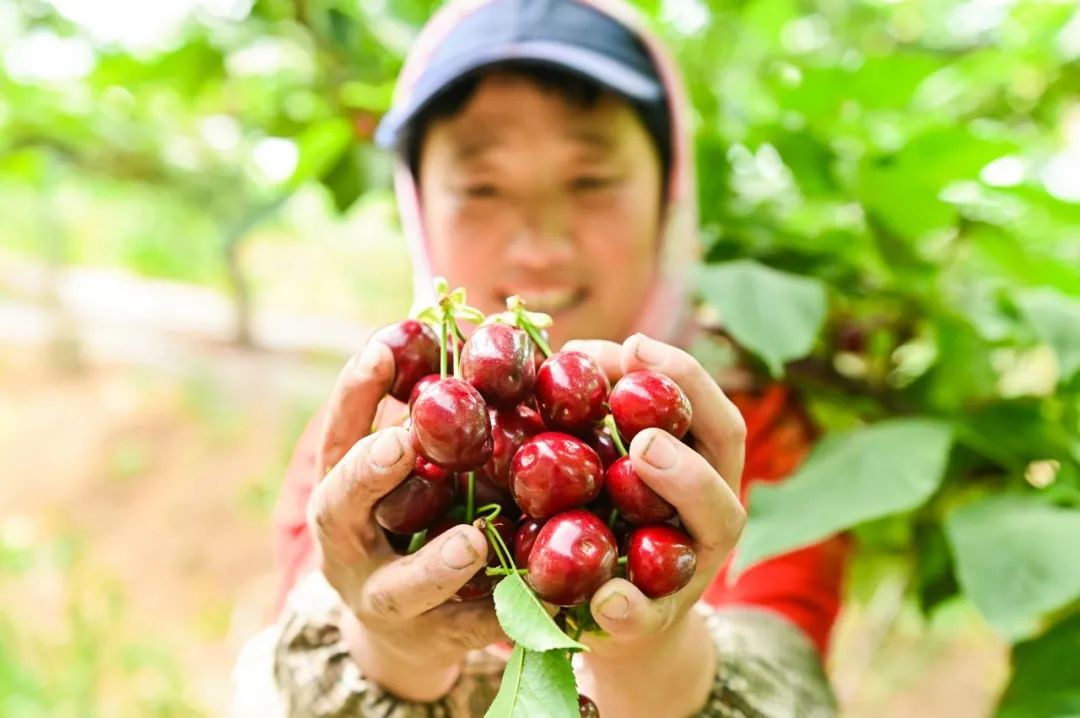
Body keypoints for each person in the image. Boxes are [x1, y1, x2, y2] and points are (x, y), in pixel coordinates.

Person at [231, 0, 849, 715]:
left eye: (590, 182)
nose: (539, 245)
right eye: (481, 188)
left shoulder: (759, 435)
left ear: (668, 193)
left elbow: (791, 673)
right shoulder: (381, 444)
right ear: (419, 205)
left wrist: (651, 655)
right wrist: (388, 649)